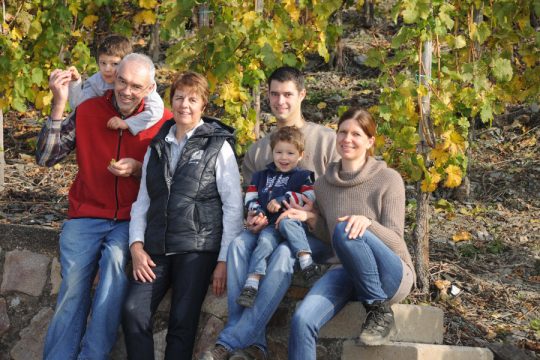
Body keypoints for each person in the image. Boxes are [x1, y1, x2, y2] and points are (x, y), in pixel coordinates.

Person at [37, 53, 172, 360]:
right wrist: (58, 104)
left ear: (150, 87)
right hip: (85, 214)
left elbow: (172, 180)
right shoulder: (88, 109)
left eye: (136, 86)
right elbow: (47, 158)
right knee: (72, 287)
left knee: (114, 264)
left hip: (130, 220)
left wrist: (138, 168)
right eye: (121, 81)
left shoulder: (163, 122)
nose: (126, 90)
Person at [202, 67, 339, 360]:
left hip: (311, 235)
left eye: (288, 94)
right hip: (268, 230)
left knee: (283, 254)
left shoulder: (327, 141)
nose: (281, 101)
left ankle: (232, 341)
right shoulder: (258, 151)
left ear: (302, 95)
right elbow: (251, 199)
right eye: (275, 94)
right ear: (267, 95)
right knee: (239, 245)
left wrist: (312, 216)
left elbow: (341, 193)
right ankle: (256, 344)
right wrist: (252, 218)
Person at [122, 71, 244, 360]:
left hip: (197, 249)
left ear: (203, 105)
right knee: (132, 311)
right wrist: (136, 246)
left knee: (182, 322)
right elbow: (142, 201)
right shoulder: (157, 145)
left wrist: (225, 259)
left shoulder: (218, 146)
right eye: (179, 98)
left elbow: (233, 206)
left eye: (192, 99)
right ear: (171, 101)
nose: (184, 105)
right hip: (156, 249)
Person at [279, 108, 416, 359]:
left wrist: (368, 224)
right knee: (302, 319)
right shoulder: (323, 184)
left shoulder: (389, 179)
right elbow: (330, 234)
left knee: (347, 228)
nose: (347, 139)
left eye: (356, 134)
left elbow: (396, 241)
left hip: (390, 272)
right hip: (345, 271)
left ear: (370, 141)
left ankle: (378, 310)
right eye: (342, 132)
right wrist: (310, 218)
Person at [236, 126, 319, 309]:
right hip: (269, 226)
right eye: (279, 152)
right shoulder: (260, 177)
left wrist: (284, 199)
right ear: (272, 152)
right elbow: (250, 198)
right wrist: (257, 212)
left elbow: (310, 197)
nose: (284, 157)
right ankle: (252, 282)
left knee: (288, 223)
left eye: (290, 153)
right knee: (264, 241)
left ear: (300, 155)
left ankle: (306, 262)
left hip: (293, 222)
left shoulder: (303, 176)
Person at [68, 34, 164, 135]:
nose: (107, 69)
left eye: (114, 64)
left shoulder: (142, 84)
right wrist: (75, 82)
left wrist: (128, 123)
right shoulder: (97, 82)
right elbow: (78, 105)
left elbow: (155, 111)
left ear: (126, 63)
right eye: (103, 63)